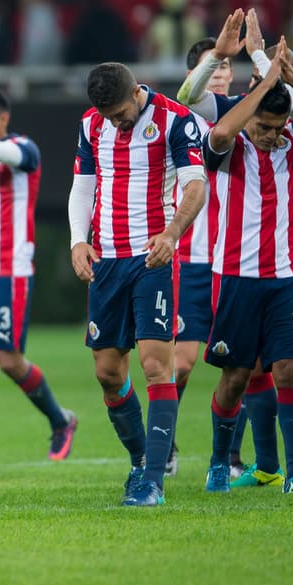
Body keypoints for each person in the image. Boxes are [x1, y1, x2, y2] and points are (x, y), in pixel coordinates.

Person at [200, 46, 293, 494]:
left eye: (277, 127)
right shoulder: (230, 148)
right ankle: (218, 462)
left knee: (289, 368)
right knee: (236, 377)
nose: (270, 135)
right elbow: (222, 131)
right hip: (235, 277)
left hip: (286, 278)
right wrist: (264, 84)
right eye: (263, 126)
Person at [69, 61, 206, 506]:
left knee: (153, 366)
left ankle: (152, 482)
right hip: (105, 261)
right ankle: (141, 460)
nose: (115, 122)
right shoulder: (91, 124)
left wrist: (171, 234)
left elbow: (195, 186)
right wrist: (77, 241)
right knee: (108, 373)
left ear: (135, 93)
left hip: (152, 259)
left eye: (120, 113)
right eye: (107, 115)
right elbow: (83, 187)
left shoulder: (175, 120)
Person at [0, 85, 78, 459]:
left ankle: (61, 419)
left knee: (8, 360)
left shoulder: (24, 148)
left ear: (3, 119)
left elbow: (12, 155)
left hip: (9, 269)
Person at [163, 33, 237, 478]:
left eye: (228, 67)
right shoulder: (183, 120)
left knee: (241, 362)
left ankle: (230, 456)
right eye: (216, 66)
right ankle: (165, 440)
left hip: (238, 255)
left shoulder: (248, 116)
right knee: (185, 361)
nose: (223, 74)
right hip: (191, 256)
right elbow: (189, 96)